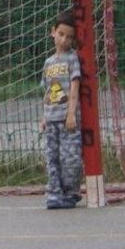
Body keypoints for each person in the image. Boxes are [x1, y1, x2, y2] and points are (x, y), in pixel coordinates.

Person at [39, 11, 83, 209]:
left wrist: (71, 113)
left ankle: (71, 191)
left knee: (71, 157)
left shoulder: (72, 59)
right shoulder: (48, 63)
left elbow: (74, 87)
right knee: (52, 158)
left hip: (68, 120)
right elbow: (47, 91)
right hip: (51, 119)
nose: (64, 39)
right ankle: (54, 194)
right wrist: (44, 116)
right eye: (61, 34)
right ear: (53, 33)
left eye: (69, 37)